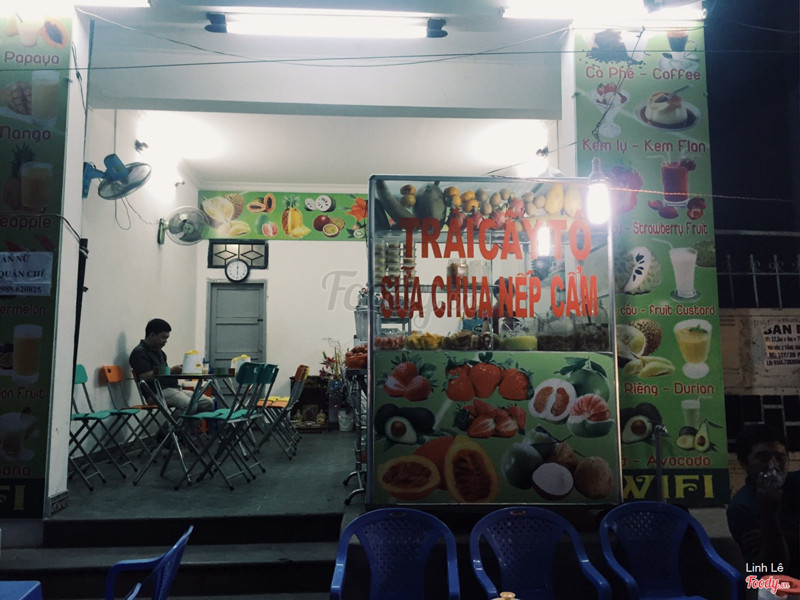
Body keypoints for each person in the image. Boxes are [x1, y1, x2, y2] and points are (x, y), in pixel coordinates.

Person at [727, 423, 799, 578]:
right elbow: (773, 569)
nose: (773, 466)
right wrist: (769, 516)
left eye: (780, 458)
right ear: (744, 462)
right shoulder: (742, 507)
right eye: (763, 458)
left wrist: (785, 536)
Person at [129, 318, 214, 418]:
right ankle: (170, 428)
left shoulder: (160, 352)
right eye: (163, 337)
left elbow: (165, 373)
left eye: (167, 338)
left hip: (174, 389)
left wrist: (178, 371)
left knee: (207, 403)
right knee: (189, 405)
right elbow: (144, 377)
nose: (165, 341)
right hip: (156, 393)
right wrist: (171, 370)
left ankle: (185, 427)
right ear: (152, 335)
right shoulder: (139, 352)